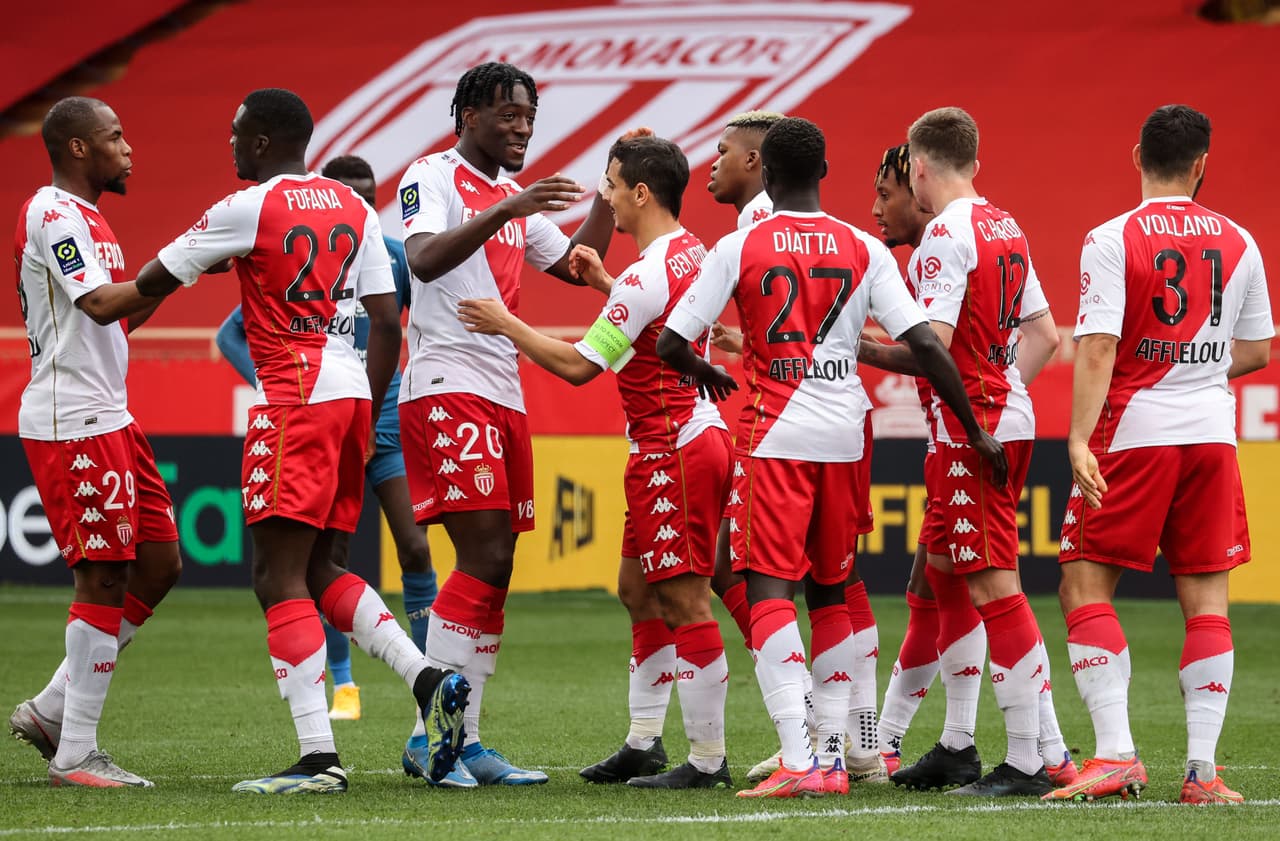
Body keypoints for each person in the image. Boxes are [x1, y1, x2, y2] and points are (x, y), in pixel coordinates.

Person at [656, 116, 1006, 799]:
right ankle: (839, 754)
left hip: (776, 434)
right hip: (847, 435)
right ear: (821, 173)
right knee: (832, 592)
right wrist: (976, 427)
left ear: (769, 172)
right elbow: (927, 346)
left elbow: (672, 340)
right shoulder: (861, 247)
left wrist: (708, 372)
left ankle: (800, 755)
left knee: (766, 590)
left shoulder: (740, 245)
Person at [132, 87, 467, 794]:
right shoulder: (353, 209)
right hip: (351, 395)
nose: (228, 147)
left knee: (274, 576)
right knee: (321, 568)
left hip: (293, 392)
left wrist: (99, 310)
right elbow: (386, 320)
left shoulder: (247, 207)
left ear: (259, 142)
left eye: (234, 134)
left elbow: (153, 278)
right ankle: (428, 676)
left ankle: (319, 758)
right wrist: (367, 407)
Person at [458, 135, 734, 790]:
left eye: (610, 184)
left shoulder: (645, 274)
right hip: (678, 440)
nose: (604, 196)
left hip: (674, 448)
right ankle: (644, 742)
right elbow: (657, 320)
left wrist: (507, 324)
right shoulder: (688, 251)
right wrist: (609, 285)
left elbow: (580, 365)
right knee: (638, 588)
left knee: (687, 598)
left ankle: (707, 760)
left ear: (641, 192)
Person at [395, 61, 619, 787]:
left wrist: (612, 191)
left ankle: (467, 739)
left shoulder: (505, 197)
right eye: (506, 114)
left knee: (499, 564)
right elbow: (423, 259)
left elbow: (580, 263)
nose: (521, 126)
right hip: (445, 381)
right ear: (466, 115)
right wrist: (506, 210)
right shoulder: (429, 175)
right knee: (483, 552)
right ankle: (435, 736)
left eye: (528, 115)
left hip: (503, 389)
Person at [1045, 105, 1272, 805]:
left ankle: (1115, 753)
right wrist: (1193, 369)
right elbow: (1260, 350)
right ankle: (1203, 772)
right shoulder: (1241, 240)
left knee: (1084, 584)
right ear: (1203, 162)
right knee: (1206, 600)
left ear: (1137, 153)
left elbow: (1101, 344)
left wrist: (1079, 435)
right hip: (1211, 430)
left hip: (1136, 429)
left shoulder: (1113, 237)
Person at [869, 107, 1067, 796]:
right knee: (946, 575)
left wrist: (849, 344)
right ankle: (956, 744)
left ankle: (1032, 757)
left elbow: (934, 346)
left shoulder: (944, 237)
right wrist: (1004, 389)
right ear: (974, 161)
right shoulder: (1004, 224)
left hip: (969, 428)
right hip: (999, 414)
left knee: (991, 584)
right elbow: (1045, 335)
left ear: (918, 169)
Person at [214, 154, 440, 740]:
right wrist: (270, 377)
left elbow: (410, 322)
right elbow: (230, 331)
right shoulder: (306, 255)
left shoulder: (389, 252)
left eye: (367, 195)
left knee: (411, 548)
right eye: (348, 193)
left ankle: (424, 687)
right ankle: (344, 685)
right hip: (325, 409)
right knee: (324, 561)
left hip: (376, 423)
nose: (358, 204)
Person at [709, 111, 888, 787]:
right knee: (834, 577)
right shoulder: (816, 228)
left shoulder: (760, 228)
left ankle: (816, 737)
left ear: (759, 163)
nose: (714, 165)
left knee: (764, 573)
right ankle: (848, 740)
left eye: (724, 153)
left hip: (785, 420)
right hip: (840, 416)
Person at [9, 96, 181, 788]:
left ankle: (53, 707)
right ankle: (75, 750)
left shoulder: (93, 222)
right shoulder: (51, 213)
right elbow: (101, 304)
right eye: (115, 136)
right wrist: (180, 260)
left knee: (160, 560)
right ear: (78, 148)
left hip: (111, 413)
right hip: (71, 415)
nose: (128, 147)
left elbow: (116, 323)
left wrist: (180, 271)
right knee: (103, 573)